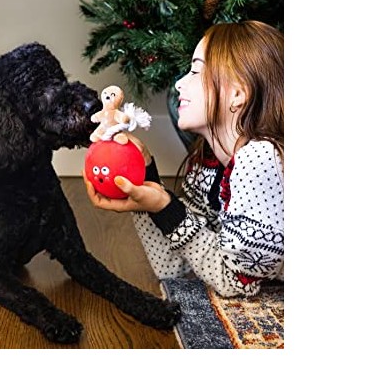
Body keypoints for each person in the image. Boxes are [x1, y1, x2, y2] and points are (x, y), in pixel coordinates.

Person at [82, 20, 284, 297]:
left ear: (237, 94)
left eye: (195, 71)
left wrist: (166, 208)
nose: (179, 83)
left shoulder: (261, 159)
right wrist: (146, 181)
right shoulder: (207, 166)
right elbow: (173, 268)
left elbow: (236, 281)